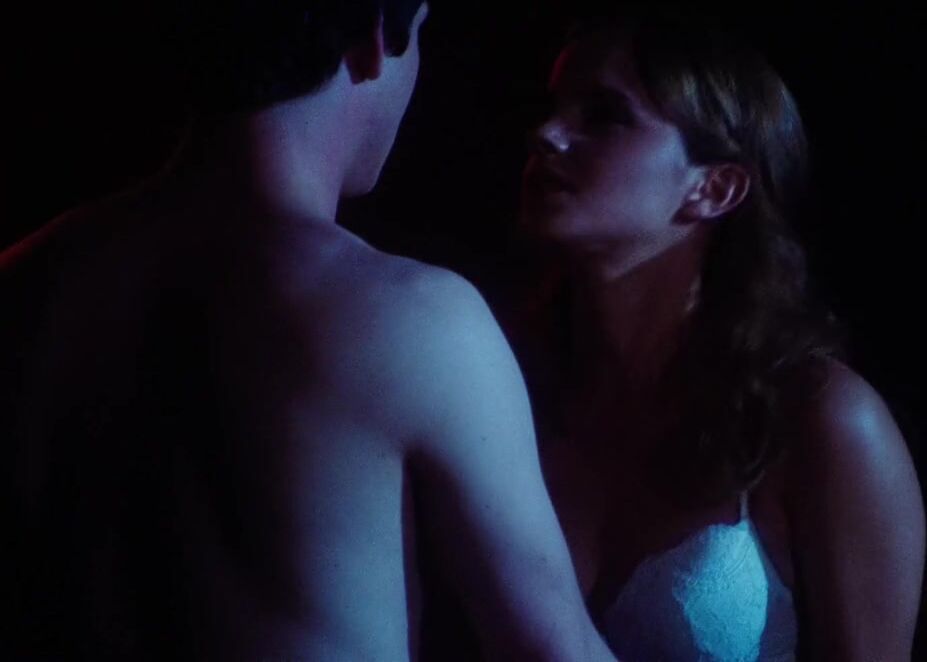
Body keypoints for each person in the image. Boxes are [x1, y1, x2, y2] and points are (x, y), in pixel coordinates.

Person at [0, 2, 614, 659]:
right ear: (374, 39)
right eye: (420, 35)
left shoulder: (28, 277)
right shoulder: (410, 320)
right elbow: (556, 651)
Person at [513, 4, 925, 660]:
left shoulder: (820, 422)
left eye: (604, 115)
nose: (546, 134)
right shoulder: (504, 389)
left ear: (713, 188)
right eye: (553, 107)